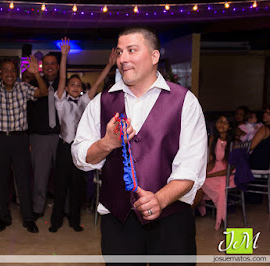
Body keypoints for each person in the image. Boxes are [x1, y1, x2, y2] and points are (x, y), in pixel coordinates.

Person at [71, 26, 207, 261]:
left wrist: (160, 199)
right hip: (118, 221)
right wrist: (107, 143)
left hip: (171, 220)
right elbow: (80, 157)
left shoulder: (185, 101)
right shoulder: (101, 103)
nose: (123, 58)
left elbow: (192, 167)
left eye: (131, 50)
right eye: (120, 52)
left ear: (154, 57)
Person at [0, 56, 48, 233]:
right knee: (0, 181)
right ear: (0, 73)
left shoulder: (23, 87)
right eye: (5, 70)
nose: (9, 74)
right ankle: (3, 218)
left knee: (23, 181)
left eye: (13, 70)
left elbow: (43, 92)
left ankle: (28, 219)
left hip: (19, 139)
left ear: (17, 73)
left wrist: (37, 75)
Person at [49, 38, 116, 233]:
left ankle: (74, 221)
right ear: (67, 88)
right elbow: (61, 79)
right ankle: (56, 221)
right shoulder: (60, 102)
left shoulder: (86, 101)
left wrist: (109, 65)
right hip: (63, 148)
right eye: (72, 84)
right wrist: (64, 56)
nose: (76, 87)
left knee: (77, 186)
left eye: (78, 84)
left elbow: (97, 83)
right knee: (60, 185)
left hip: (79, 149)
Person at [27, 53, 61, 219]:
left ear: (58, 66)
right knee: (39, 176)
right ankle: (38, 208)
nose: (49, 66)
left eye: (52, 64)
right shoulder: (32, 85)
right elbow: (26, 114)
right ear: (42, 66)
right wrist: (29, 139)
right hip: (39, 137)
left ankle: (64, 209)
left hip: (62, 137)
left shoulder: (65, 83)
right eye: (46, 64)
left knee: (62, 175)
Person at [193, 115, 234, 230]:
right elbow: (211, 160)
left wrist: (209, 175)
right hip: (215, 169)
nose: (221, 124)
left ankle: (191, 212)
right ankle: (190, 212)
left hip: (228, 174)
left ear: (230, 127)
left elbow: (230, 169)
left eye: (225, 123)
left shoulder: (234, 142)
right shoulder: (213, 139)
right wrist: (203, 171)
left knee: (213, 184)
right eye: (219, 121)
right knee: (198, 180)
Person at [249, 106, 270, 170]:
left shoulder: (264, 129)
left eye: (268, 113)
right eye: (265, 112)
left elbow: (250, 146)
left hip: (260, 163)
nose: (265, 114)